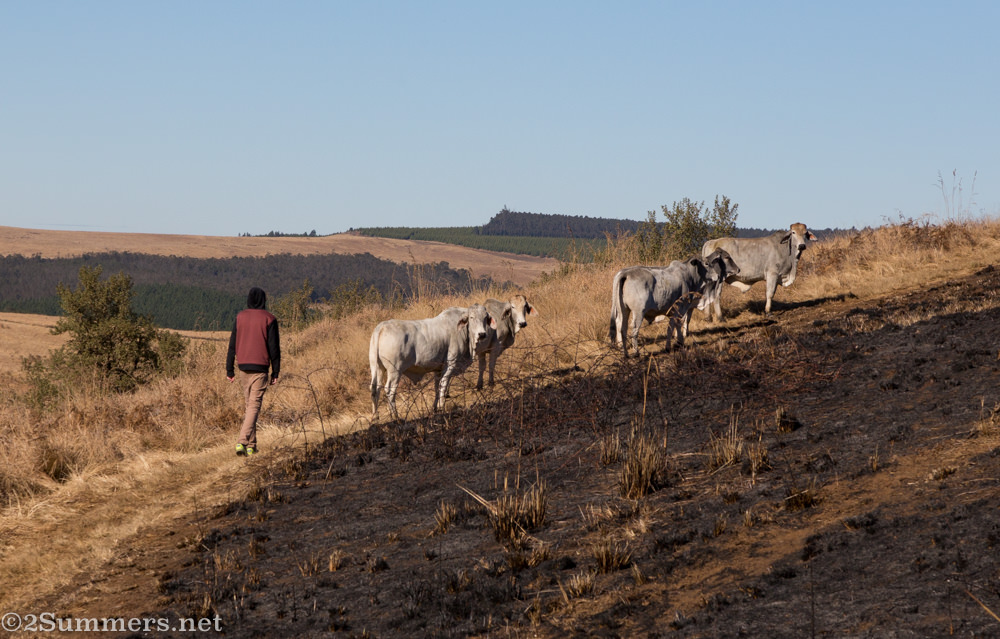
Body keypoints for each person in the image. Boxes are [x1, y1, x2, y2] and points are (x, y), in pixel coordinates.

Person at [226, 287, 280, 456]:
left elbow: (232, 344)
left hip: (243, 367)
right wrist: (276, 372)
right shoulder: (269, 319)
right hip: (260, 368)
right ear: (264, 300)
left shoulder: (240, 317)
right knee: (254, 406)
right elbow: (274, 349)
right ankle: (242, 442)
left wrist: (229, 369)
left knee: (250, 406)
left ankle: (252, 445)